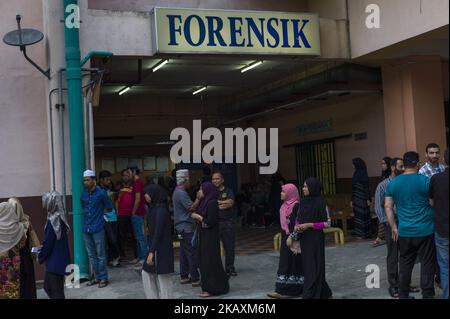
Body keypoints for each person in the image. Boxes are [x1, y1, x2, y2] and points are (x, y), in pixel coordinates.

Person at [385, 151, 436, 299]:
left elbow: (388, 207)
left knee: (405, 263)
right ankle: (427, 294)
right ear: (417, 163)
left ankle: (403, 294)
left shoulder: (393, 183)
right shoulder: (425, 181)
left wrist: (394, 226)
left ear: (404, 165)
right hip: (425, 229)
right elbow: (432, 203)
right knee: (427, 263)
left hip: (405, 231)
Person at [375, 158, 419, 297]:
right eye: (400, 167)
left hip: (406, 222)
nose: (403, 169)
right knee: (393, 255)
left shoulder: (405, 183)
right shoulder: (383, 185)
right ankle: (394, 285)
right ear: (393, 168)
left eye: (404, 166)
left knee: (407, 254)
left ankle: (405, 284)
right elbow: (378, 207)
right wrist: (388, 223)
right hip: (391, 223)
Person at [291, 178, 332, 299]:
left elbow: (327, 223)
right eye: (303, 186)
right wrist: (296, 229)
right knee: (309, 265)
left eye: (305, 187)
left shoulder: (321, 202)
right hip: (305, 238)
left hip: (316, 238)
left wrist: (309, 225)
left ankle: (310, 294)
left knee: (316, 265)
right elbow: (298, 218)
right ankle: (322, 291)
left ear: (312, 188)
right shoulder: (302, 202)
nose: (303, 189)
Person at [191, 182, 230, 297]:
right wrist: (197, 200)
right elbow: (192, 209)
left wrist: (198, 217)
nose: (199, 191)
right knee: (204, 261)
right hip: (204, 235)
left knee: (210, 262)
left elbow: (211, 221)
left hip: (210, 237)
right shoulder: (205, 202)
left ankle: (213, 288)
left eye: (201, 189)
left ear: (207, 191)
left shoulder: (212, 203)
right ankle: (209, 287)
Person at [268, 183, 304, 299]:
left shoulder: (296, 206)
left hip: (294, 237)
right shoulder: (284, 206)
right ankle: (281, 290)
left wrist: (292, 237)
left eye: (283, 192)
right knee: (284, 263)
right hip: (285, 237)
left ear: (290, 193)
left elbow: (297, 224)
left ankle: (293, 290)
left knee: (293, 263)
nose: (281, 194)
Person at [419, 143, 446, 288]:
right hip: (431, 215)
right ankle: (439, 277)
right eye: (431, 153)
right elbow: (425, 197)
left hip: (444, 215)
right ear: (426, 154)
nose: (434, 155)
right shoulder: (422, 172)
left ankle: (442, 277)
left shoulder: (443, 169)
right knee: (434, 249)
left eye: (436, 152)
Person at [81, 169, 113, 288]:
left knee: (100, 254)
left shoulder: (101, 193)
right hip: (86, 228)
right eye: (84, 180)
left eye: (88, 180)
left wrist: (100, 214)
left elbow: (109, 207)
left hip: (98, 227)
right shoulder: (83, 194)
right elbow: (83, 207)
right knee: (91, 255)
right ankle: (97, 277)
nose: (85, 183)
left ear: (94, 180)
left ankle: (103, 278)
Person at [141, 183, 174, 299]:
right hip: (156, 248)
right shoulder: (154, 208)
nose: (145, 195)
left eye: (147, 193)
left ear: (154, 194)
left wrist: (151, 252)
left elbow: (158, 233)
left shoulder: (160, 210)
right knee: (147, 274)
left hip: (161, 249)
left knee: (163, 278)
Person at [38, 191, 71, 299]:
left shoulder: (54, 221)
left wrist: (40, 256)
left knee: (55, 291)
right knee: (50, 288)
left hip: (54, 262)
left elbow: (48, 243)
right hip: (59, 259)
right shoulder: (59, 217)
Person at [172, 169, 201, 286]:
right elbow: (191, 208)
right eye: (188, 180)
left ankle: (184, 276)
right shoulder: (182, 193)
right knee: (191, 252)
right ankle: (195, 278)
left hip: (180, 227)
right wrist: (198, 198)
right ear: (185, 180)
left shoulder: (176, 191)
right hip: (186, 227)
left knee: (184, 252)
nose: (190, 182)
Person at [9, 198, 38, 299]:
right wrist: (36, 254)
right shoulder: (26, 222)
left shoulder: (5, 225)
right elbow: (34, 243)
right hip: (26, 260)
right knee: (27, 286)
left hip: (12, 261)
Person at [429, 148, 449, 299]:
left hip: (442, 228)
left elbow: (431, 201)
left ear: (444, 159)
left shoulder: (436, 179)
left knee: (445, 267)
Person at [212, 171, 237, 276]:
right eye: (213, 179)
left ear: (222, 180)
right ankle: (216, 269)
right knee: (214, 248)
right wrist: (224, 202)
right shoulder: (210, 192)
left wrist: (218, 203)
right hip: (215, 224)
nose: (215, 181)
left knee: (229, 247)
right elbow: (211, 206)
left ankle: (229, 268)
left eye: (217, 178)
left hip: (228, 223)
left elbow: (230, 203)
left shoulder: (228, 191)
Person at [0, 199, 26, 299]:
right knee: (13, 290)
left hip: (1, 264)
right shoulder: (19, 227)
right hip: (14, 265)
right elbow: (22, 244)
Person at [98, 170, 121, 267]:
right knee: (110, 239)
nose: (108, 181)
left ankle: (115, 258)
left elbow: (114, 202)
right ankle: (113, 258)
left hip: (113, 217)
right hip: (104, 218)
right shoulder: (98, 190)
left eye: (109, 179)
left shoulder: (110, 188)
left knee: (114, 239)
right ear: (101, 180)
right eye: (107, 180)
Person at [128, 166, 148, 265]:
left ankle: (144, 257)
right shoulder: (135, 183)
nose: (128, 175)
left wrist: (133, 211)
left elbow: (138, 198)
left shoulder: (137, 183)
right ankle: (140, 256)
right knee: (137, 236)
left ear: (134, 172)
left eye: (129, 172)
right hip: (137, 213)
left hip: (138, 213)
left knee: (140, 236)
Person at [116, 169, 137, 263]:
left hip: (132, 214)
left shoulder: (134, 185)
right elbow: (116, 201)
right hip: (122, 215)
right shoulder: (118, 186)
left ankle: (135, 255)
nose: (126, 177)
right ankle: (122, 255)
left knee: (134, 235)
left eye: (128, 175)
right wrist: (117, 213)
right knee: (121, 236)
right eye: (124, 175)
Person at [350, 158, 371, 239]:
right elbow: (353, 188)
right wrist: (352, 199)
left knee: (363, 215)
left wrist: (368, 198)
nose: (353, 166)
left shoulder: (363, 173)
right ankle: (360, 233)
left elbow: (366, 187)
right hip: (357, 198)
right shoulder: (356, 173)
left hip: (362, 198)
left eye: (354, 164)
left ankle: (364, 234)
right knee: (358, 215)